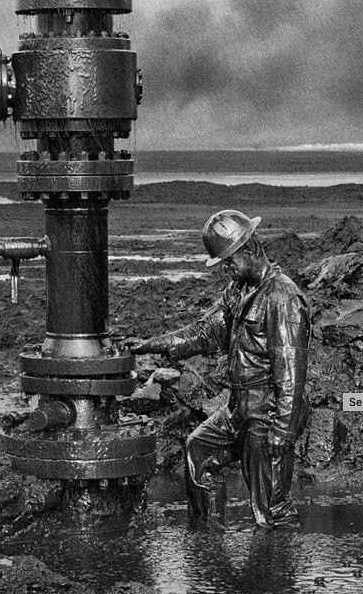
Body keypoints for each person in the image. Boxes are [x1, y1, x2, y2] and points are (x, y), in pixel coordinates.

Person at [123, 210, 310, 528]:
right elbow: (205, 331)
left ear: (250, 249)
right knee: (198, 450)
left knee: (271, 511)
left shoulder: (283, 298)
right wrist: (148, 345)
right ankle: (208, 538)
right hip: (238, 407)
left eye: (229, 260)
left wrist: (283, 432)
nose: (225, 268)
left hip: (267, 411)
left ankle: (279, 556)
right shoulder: (238, 290)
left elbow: (291, 376)